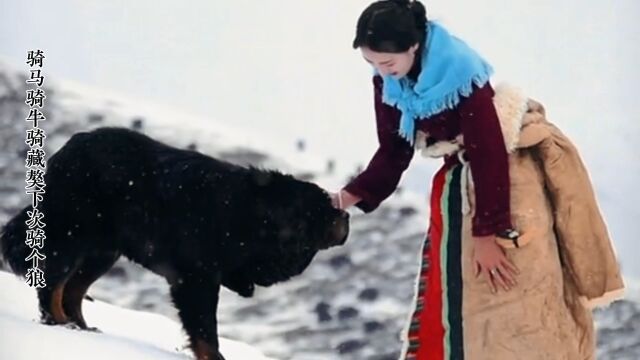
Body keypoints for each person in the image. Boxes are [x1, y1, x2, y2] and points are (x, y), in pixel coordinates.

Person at [330, 1, 625, 359]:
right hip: (457, 190)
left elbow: (488, 154)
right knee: (454, 294)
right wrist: (350, 196)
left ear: (413, 46)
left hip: (504, 188)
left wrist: (488, 234)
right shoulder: (391, 82)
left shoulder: (462, 74)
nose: (381, 72)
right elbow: (394, 151)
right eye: (372, 64)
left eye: (387, 63)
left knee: (508, 301)